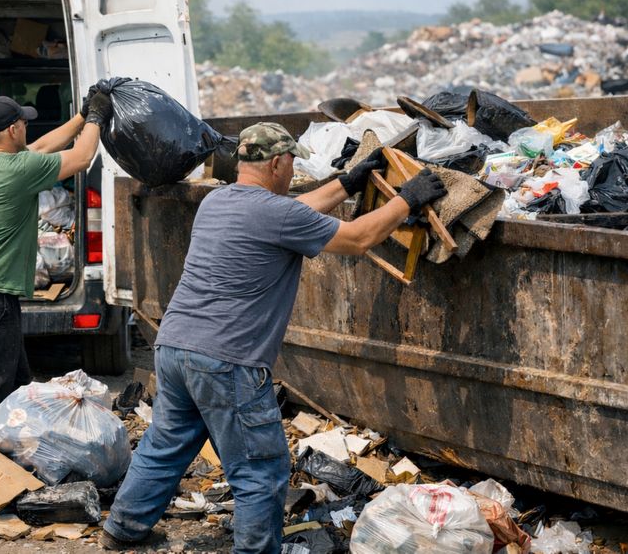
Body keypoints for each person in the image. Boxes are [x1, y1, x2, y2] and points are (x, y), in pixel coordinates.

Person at [101, 122, 447, 553]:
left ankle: (122, 528)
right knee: (259, 468)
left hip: (174, 347)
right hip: (227, 359)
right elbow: (359, 238)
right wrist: (406, 200)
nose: (292, 171)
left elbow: (292, 212)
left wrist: (345, 184)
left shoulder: (217, 202)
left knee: (164, 446)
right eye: (292, 163)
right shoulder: (277, 215)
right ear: (279, 163)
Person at [0, 92, 111, 428]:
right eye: (23, 122)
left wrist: (81, 116)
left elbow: (43, 146)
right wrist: (98, 117)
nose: (26, 127)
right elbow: (82, 157)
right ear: (12, 130)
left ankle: (18, 448)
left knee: (17, 387)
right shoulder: (19, 169)